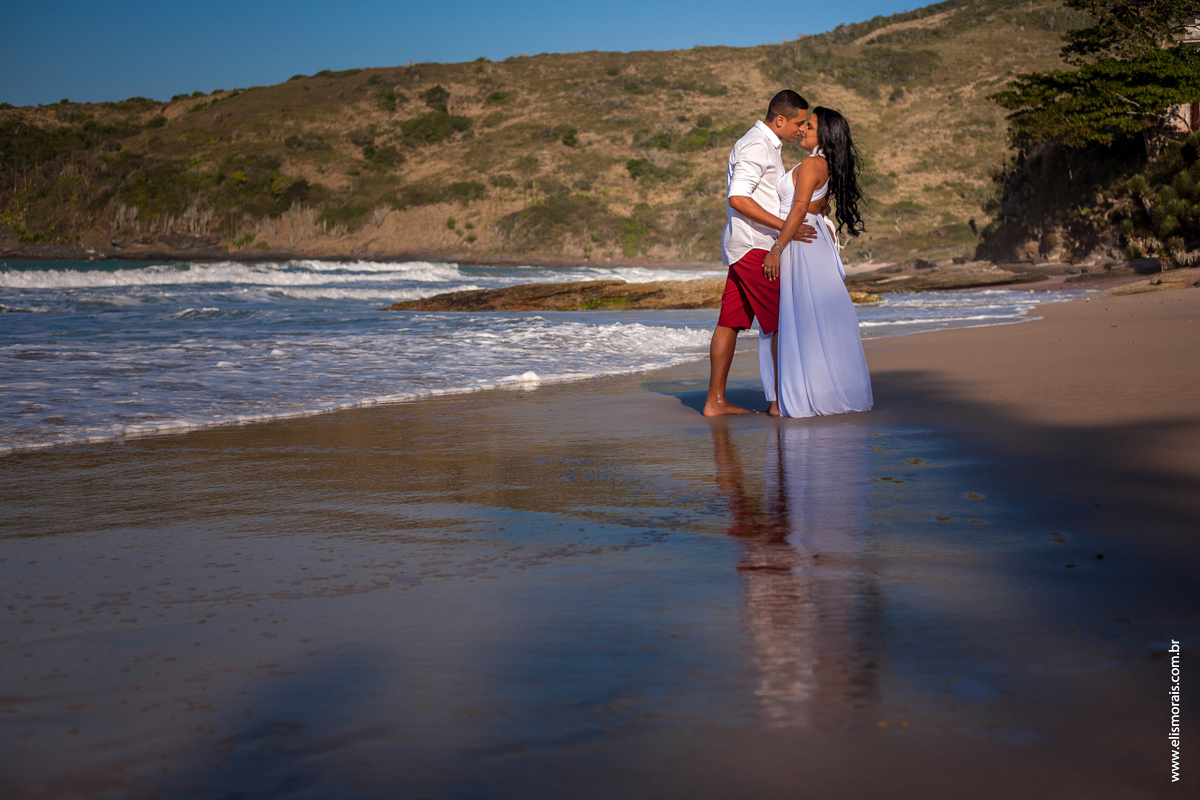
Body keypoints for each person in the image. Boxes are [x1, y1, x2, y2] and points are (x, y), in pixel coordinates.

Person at [703, 90, 818, 417]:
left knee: (729, 322)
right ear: (779, 119)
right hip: (755, 248)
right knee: (782, 321)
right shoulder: (757, 145)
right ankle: (780, 403)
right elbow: (737, 198)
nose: (801, 128)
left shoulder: (766, 145)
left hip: (744, 246)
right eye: (798, 122)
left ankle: (715, 402)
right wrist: (787, 227)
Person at [761, 107, 873, 418]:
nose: (803, 130)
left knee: (805, 318)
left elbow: (798, 210)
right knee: (815, 317)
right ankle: (818, 390)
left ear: (824, 134)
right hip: (812, 239)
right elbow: (816, 210)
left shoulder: (812, 164)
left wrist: (777, 248)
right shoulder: (826, 164)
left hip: (801, 241)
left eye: (809, 126)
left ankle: (805, 395)